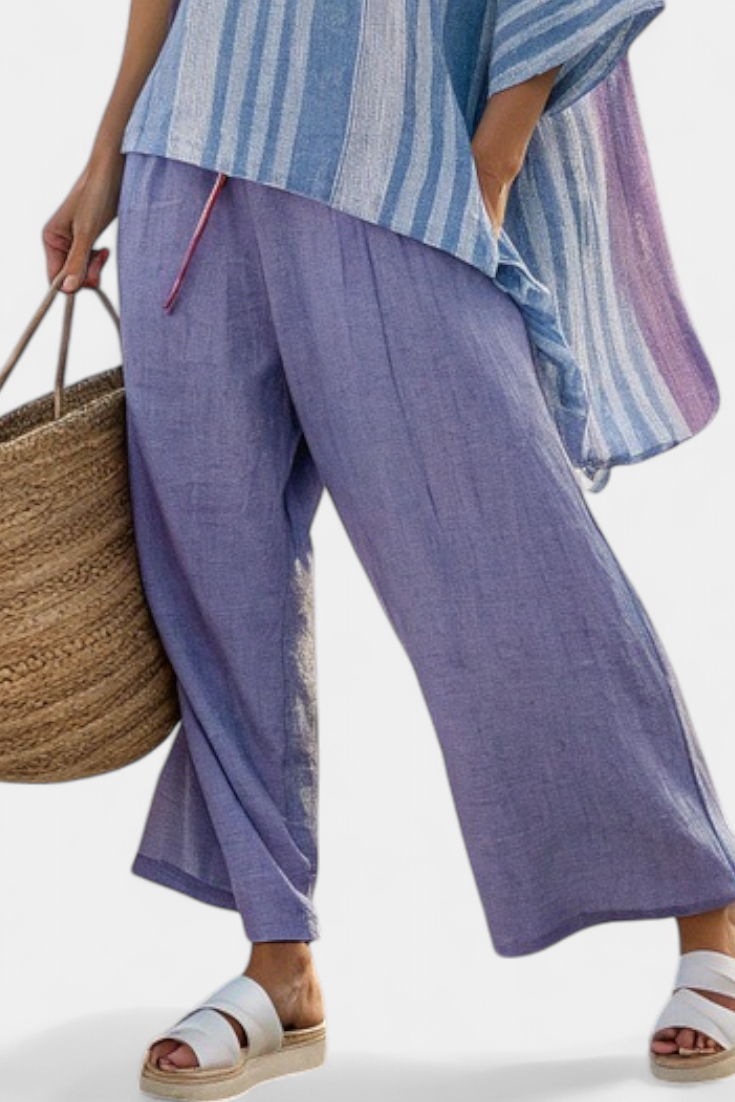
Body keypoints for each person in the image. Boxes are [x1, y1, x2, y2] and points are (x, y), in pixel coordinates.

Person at [42, 0, 735, 1096]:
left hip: (387, 154)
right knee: (214, 581)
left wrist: (493, 159)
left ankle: (711, 911)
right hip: (184, 154)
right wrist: (108, 156)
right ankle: (278, 965)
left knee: (505, 553)